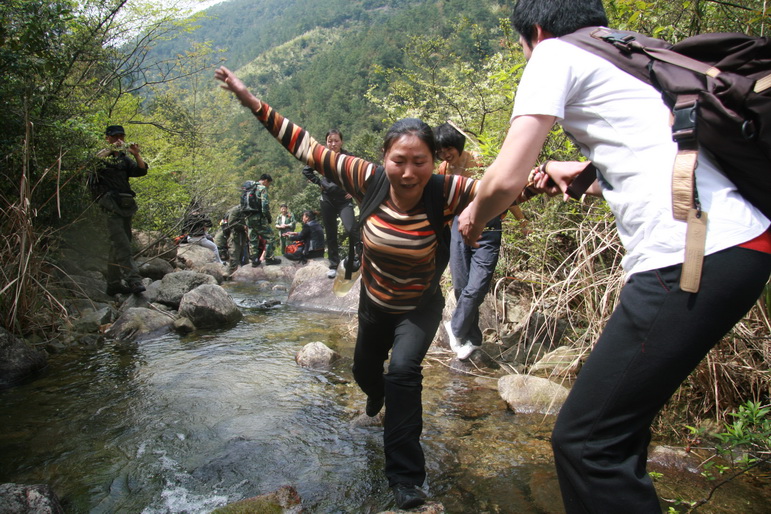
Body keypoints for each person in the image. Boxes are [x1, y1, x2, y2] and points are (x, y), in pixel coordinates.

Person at [458, 1, 771, 512]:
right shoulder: (633, 51)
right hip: (740, 243)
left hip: (691, 255)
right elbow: (668, 156)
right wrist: (580, 173)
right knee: (611, 438)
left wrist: (475, 213)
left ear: (534, 31)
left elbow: (506, 177)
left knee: (587, 445)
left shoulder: (553, 52)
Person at [215, 65, 478, 510]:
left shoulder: (448, 190)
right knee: (365, 374)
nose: (409, 172)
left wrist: (560, 174)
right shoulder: (366, 177)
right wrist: (250, 100)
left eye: (420, 161)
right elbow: (304, 146)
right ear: (384, 158)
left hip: (419, 306)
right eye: (399, 160)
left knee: (404, 376)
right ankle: (374, 393)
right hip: (374, 304)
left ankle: (406, 480)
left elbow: (510, 187)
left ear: (436, 161)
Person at [434, 123, 529, 360]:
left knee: (477, 286)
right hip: (457, 226)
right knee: (461, 285)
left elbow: (505, 191)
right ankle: (472, 340)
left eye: (447, 148)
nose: (445, 154)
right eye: (440, 150)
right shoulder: (443, 169)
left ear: (457, 144)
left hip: (488, 224)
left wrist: (522, 221)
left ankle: (455, 328)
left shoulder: (478, 160)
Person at [89, 124, 149, 296]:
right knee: (122, 245)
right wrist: (110, 149)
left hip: (125, 207)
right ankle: (134, 281)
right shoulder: (102, 157)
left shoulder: (124, 159)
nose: (119, 140)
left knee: (118, 246)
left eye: (121, 137)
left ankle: (113, 284)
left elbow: (141, 170)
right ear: (107, 138)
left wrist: (136, 154)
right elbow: (92, 163)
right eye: (115, 137)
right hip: (108, 207)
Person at [302, 129, 361, 279]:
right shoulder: (321, 156)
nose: (333, 144)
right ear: (326, 142)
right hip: (327, 199)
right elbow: (307, 170)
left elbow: (360, 174)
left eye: (336, 140)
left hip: (343, 200)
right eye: (330, 141)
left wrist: (353, 191)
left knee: (351, 229)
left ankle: (359, 258)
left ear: (341, 141)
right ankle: (333, 265)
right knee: (331, 232)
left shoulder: (349, 157)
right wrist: (319, 182)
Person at [242, 175, 281, 266]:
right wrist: (268, 217)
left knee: (253, 239)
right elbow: (264, 205)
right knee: (270, 237)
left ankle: (254, 260)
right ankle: (269, 258)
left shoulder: (248, 188)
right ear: (266, 181)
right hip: (259, 218)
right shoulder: (262, 188)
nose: (268, 185)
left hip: (248, 218)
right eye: (269, 183)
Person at [214, 204, 250, 272]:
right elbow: (232, 223)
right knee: (234, 261)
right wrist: (244, 227)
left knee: (245, 261)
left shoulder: (249, 210)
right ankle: (228, 276)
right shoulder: (236, 210)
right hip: (235, 238)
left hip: (243, 238)